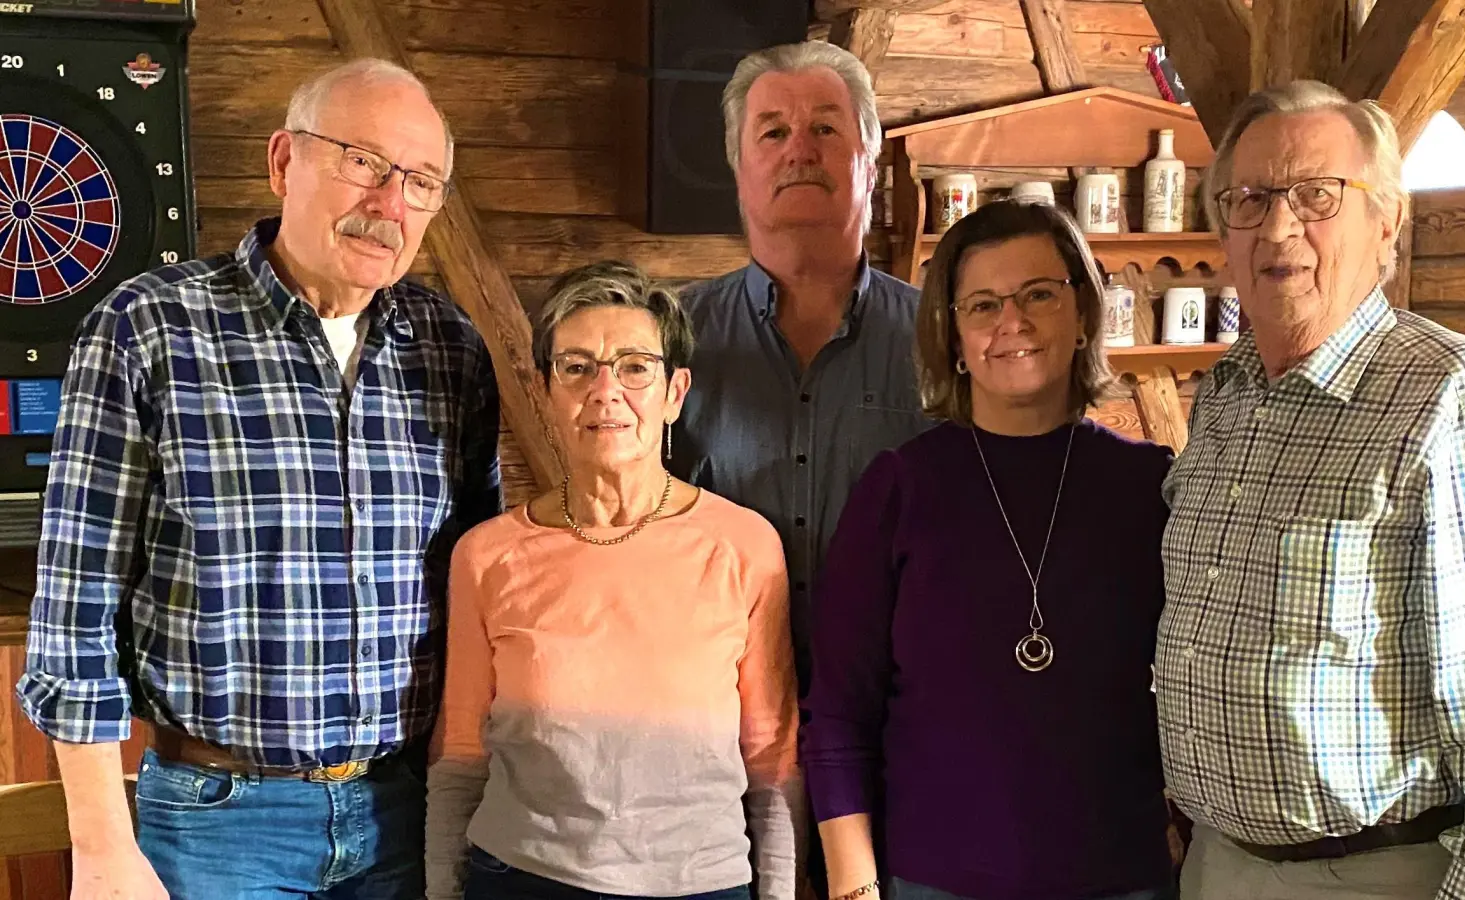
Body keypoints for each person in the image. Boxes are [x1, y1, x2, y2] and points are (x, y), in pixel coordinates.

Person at [15, 57, 503, 900]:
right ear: (284, 161)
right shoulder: (149, 329)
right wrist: (100, 847)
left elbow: (476, 590)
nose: (389, 204)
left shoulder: (447, 346)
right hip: (218, 822)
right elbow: (73, 611)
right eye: (363, 162)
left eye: (421, 181)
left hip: (405, 811)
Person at [1156, 79, 1465, 900]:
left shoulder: (1459, 393)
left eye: (1316, 195)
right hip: (1215, 862)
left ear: (1386, 217)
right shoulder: (1227, 393)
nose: (1280, 226)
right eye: (1249, 200)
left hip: (1376, 874)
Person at [801, 200, 1177, 900]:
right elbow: (839, 712)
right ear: (952, 337)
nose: (1014, 323)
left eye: (1039, 293)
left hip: (1118, 877)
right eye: (982, 305)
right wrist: (853, 887)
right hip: (935, 879)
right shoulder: (899, 490)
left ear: (1084, 310)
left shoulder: (1147, 486)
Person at [423, 260, 803, 900]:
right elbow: (461, 747)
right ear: (549, 390)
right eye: (576, 367)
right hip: (522, 879)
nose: (605, 391)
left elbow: (771, 754)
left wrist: (781, 890)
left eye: (634, 366)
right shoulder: (487, 556)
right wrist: (440, 889)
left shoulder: (744, 546)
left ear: (675, 393)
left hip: (701, 885)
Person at [667, 41, 930, 703]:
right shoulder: (668, 339)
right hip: (717, 726)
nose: (798, 150)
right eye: (773, 132)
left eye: (824, 128)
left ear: (869, 162)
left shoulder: (942, 335)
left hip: (899, 721)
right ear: (739, 168)